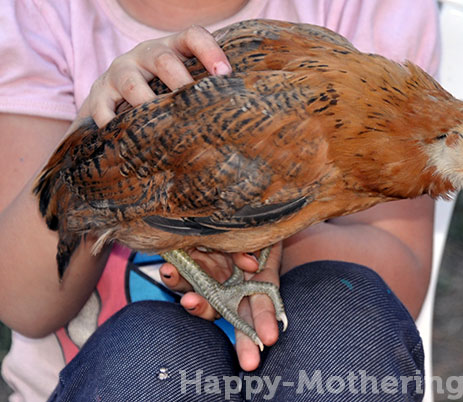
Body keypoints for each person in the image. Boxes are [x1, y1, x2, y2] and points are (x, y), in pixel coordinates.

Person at [0, 0, 439, 400]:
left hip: (301, 367)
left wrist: (254, 230)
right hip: (107, 379)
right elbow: (22, 304)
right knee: (148, 355)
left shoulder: (364, 10)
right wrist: (100, 127)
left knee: (348, 320)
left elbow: (400, 282)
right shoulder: (40, 13)